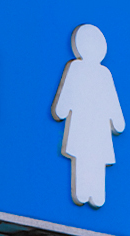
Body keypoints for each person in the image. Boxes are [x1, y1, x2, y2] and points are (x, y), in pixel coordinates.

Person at [51, 23, 125, 207]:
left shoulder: (94, 71)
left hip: (85, 127)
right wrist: (117, 122)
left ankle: (91, 194)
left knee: (88, 158)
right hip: (93, 128)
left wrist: (117, 121)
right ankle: (90, 194)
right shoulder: (96, 72)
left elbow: (63, 105)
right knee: (90, 159)